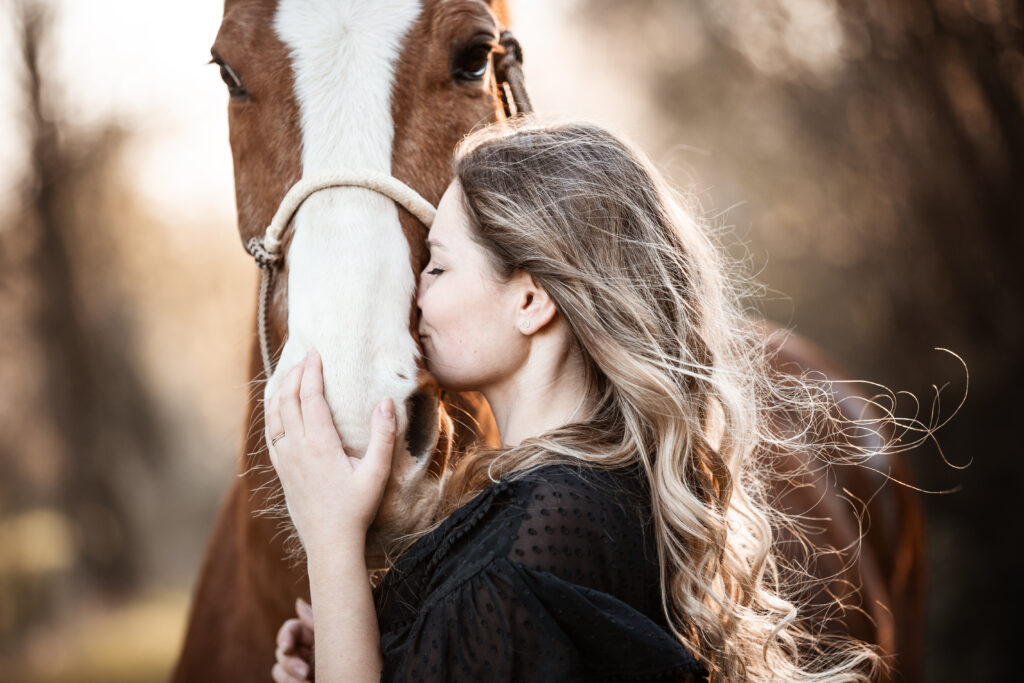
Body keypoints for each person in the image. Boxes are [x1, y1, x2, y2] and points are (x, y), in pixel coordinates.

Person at [263, 115, 887, 682]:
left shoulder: (521, 556)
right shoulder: (592, 494)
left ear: (531, 302)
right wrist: (386, 648)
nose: (414, 294)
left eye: (437, 266)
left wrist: (329, 536)